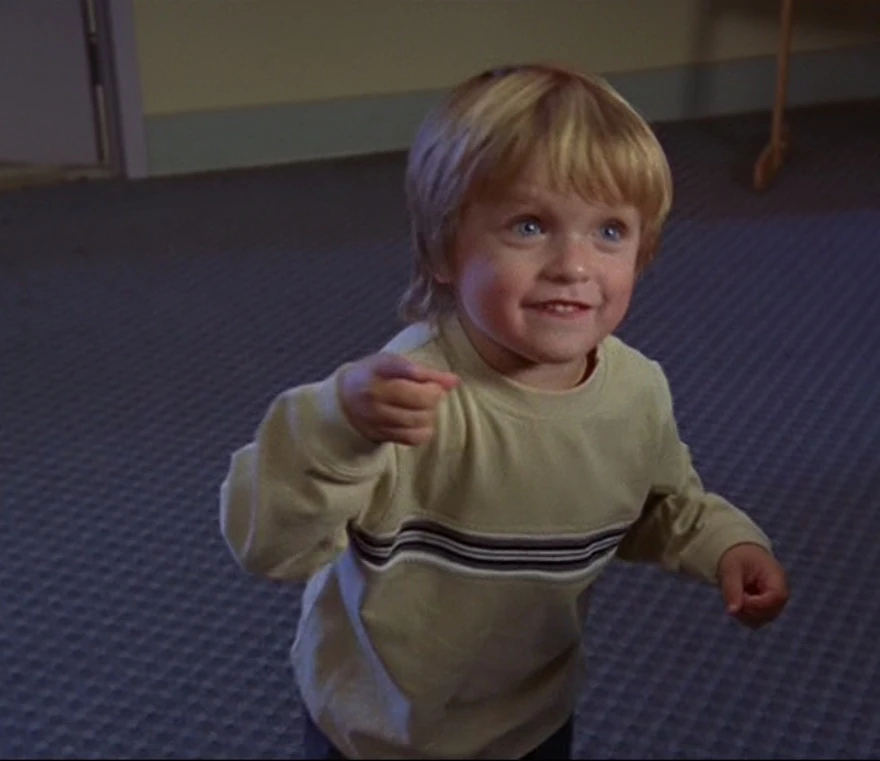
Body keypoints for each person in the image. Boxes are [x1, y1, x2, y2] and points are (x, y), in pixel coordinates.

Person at [219, 62, 789, 761]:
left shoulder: (636, 391)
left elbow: (659, 502)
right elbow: (268, 545)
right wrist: (338, 425)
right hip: (379, 730)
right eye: (529, 225)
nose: (573, 265)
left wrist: (728, 545)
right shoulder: (403, 397)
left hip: (531, 719)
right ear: (443, 249)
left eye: (610, 231)